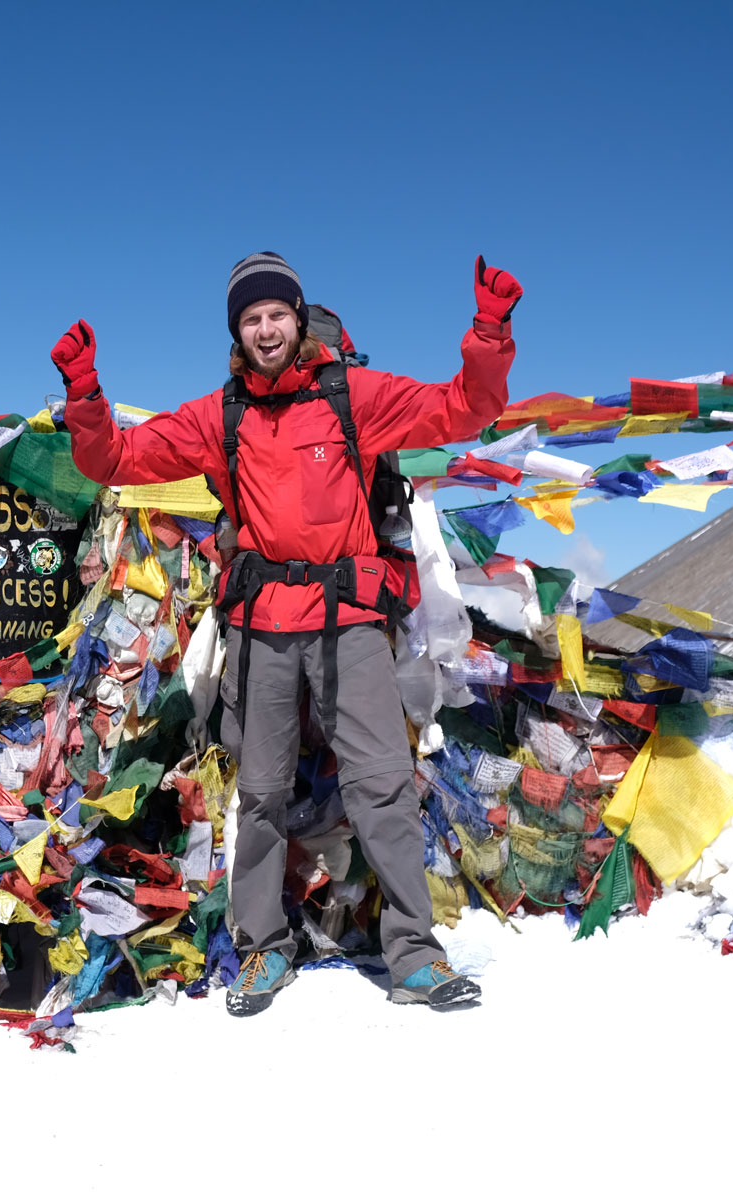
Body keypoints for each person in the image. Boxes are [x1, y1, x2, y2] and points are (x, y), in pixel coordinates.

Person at [52, 252, 520, 1015]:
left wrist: (489, 331)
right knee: (261, 794)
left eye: (277, 314)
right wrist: (85, 393)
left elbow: (464, 410)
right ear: (236, 332)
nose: (265, 328)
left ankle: (413, 956)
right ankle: (264, 949)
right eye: (250, 318)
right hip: (262, 628)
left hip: (349, 625)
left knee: (383, 787)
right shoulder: (219, 415)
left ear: (299, 320)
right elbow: (117, 460)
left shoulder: (353, 396)